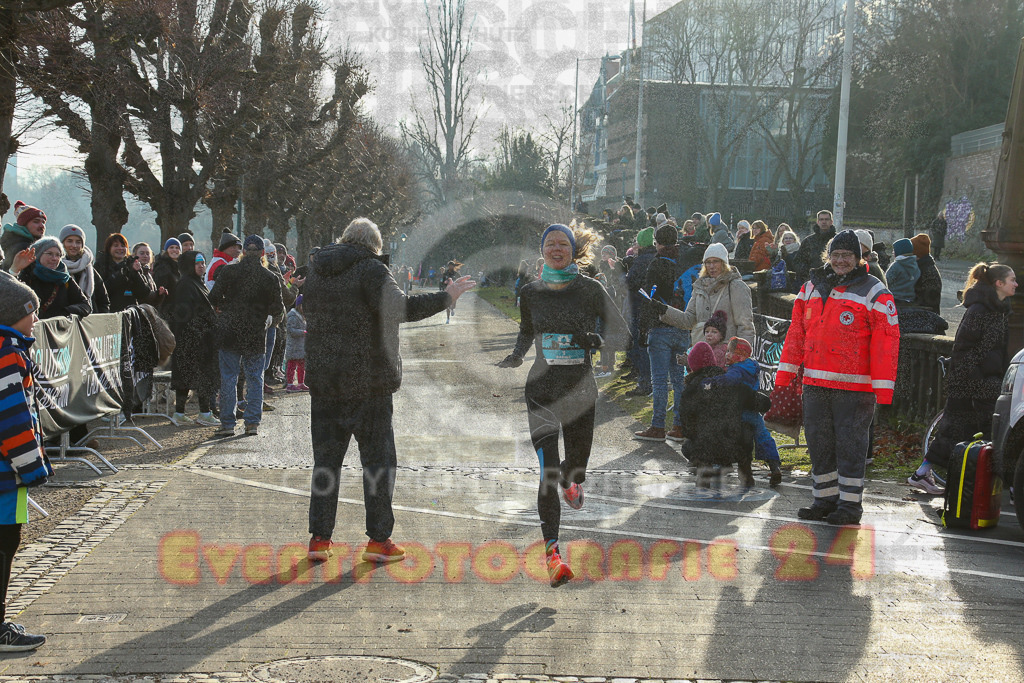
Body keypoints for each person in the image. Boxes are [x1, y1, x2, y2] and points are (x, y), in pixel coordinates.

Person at [304, 218, 475, 565]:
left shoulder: (317, 271)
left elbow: (308, 311)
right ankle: (379, 540)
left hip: (325, 381)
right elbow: (401, 309)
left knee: (326, 462)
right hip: (368, 381)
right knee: (379, 464)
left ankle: (320, 538)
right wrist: (447, 297)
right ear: (376, 245)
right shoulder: (371, 270)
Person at [497, 222, 629, 587]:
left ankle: (574, 481)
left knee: (574, 468)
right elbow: (527, 330)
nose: (556, 249)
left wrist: (597, 339)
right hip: (541, 389)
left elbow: (622, 332)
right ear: (542, 251)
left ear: (573, 250)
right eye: (550, 244)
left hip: (580, 389)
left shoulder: (590, 289)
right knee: (548, 473)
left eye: (562, 244)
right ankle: (553, 554)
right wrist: (516, 354)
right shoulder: (532, 291)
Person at [776, 229, 900, 525]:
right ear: (827, 256)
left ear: (859, 258)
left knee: (851, 446)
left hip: (855, 388)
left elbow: (887, 341)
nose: (840, 261)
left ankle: (849, 507)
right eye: (835, 255)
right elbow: (796, 333)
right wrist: (785, 375)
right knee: (819, 444)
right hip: (815, 384)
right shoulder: (810, 287)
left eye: (847, 255)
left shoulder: (875, 291)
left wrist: (883, 391)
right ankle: (824, 500)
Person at [910, 263, 1016, 494]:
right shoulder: (980, 311)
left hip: (982, 381)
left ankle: (926, 474)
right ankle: (927, 474)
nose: (1016, 284)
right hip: (973, 382)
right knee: (966, 429)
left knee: (964, 429)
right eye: (1012, 280)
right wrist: (979, 381)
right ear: (999, 284)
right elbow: (964, 349)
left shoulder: (996, 310)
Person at [0, 275, 52, 651]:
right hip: (5, 474)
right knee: (5, 541)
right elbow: (13, 417)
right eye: (29, 311)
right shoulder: (7, 352)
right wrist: (32, 467)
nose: (34, 318)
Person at [209, 235, 285, 437]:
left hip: (230, 331)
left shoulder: (229, 271)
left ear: (243, 252)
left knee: (228, 378)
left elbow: (213, 297)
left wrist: (224, 308)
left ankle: (227, 423)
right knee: (255, 378)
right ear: (262, 253)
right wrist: (268, 318)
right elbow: (278, 309)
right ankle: (252, 422)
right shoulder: (270, 278)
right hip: (255, 332)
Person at [634, 224, 689, 443]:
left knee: (659, 380)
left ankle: (657, 426)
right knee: (679, 380)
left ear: (657, 242)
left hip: (661, 325)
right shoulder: (683, 261)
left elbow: (649, 298)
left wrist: (643, 328)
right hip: (682, 323)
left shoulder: (656, 264)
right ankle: (679, 425)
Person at [676, 341, 756, 488]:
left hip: (707, 446)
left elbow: (686, 421)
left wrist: (693, 436)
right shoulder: (727, 379)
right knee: (743, 431)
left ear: (693, 365)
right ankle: (746, 475)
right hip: (735, 444)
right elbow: (752, 400)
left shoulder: (692, 388)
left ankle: (704, 473)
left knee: (690, 445)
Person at [707, 337, 783, 486]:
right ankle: (774, 465)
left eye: (730, 351)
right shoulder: (752, 365)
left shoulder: (737, 369)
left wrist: (714, 383)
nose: (727, 354)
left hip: (738, 412)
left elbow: (729, 380)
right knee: (763, 437)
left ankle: (719, 466)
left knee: (729, 437)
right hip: (754, 411)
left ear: (739, 355)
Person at [654, 243, 754, 347]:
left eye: (716, 261)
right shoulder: (699, 287)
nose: (711, 266)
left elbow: (745, 325)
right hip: (703, 353)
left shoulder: (736, 286)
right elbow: (688, 320)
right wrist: (663, 310)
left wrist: (741, 353)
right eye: (708, 262)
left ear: (724, 263)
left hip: (727, 354)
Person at [167, 251, 220, 426]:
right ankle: (204, 413)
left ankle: (181, 413)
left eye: (203, 263)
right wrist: (202, 329)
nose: (201, 266)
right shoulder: (185, 285)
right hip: (193, 341)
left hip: (199, 339)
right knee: (198, 377)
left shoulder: (197, 283)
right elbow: (184, 315)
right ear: (189, 265)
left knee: (190, 377)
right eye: (197, 263)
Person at [17, 237, 92, 319]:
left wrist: (64, 313)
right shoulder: (26, 275)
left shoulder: (64, 278)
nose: (54, 258)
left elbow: (85, 306)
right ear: (38, 255)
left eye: (58, 255)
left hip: (57, 330)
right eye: (49, 254)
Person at [623, 226, 657, 396]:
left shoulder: (641, 261)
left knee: (641, 344)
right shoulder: (655, 258)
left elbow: (630, 284)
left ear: (641, 245)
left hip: (639, 306)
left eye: (637, 243)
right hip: (652, 307)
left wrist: (624, 273)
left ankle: (644, 382)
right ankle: (649, 380)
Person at [59, 224, 110, 314]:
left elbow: (103, 300)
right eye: (69, 241)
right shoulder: (57, 268)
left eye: (78, 242)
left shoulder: (90, 271)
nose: (74, 245)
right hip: (64, 320)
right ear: (62, 243)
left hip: (90, 322)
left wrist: (100, 318)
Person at [97, 233, 153, 312]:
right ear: (109, 248)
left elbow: (144, 293)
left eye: (123, 246)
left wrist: (135, 274)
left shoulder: (132, 265)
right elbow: (100, 291)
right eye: (116, 246)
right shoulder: (100, 265)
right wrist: (120, 275)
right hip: (107, 313)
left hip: (129, 314)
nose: (120, 248)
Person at [792, 210, 836, 282]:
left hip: (833, 279)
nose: (824, 222)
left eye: (826, 219)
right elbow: (798, 261)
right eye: (821, 219)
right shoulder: (808, 241)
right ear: (818, 222)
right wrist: (808, 274)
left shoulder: (837, 240)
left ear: (831, 222)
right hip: (811, 280)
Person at [0, 201, 45, 272]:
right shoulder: (23, 248)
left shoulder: (14, 242)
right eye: (36, 221)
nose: (42, 226)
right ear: (23, 224)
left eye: (43, 222)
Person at [910, 233, 942, 314]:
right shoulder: (922, 267)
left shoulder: (928, 272)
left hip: (926, 319)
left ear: (916, 254)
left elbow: (929, 303)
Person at [885, 238, 920, 306]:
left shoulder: (896, 266)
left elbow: (886, 281)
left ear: (900, 251)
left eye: (894, 250)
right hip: (910, 300)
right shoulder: (915, 265)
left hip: (895, 300)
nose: (892, 252)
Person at [153, 237, 182, 315]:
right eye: (171, 247)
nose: (174, 250)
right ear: (166, 250)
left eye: (177, 248)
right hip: (166, 309)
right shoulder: (162, 267)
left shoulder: (179, 267)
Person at [285, 295, 308, 392]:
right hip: (294, 346)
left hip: (301, 346)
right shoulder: (293, 316)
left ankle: (301, 383)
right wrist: (302, 332)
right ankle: (290, 384)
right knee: (292, 365)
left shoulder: (302, 317)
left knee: (302, 365)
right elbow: (290, 330)